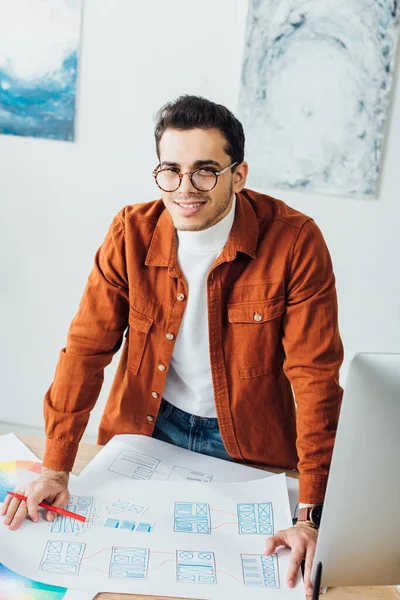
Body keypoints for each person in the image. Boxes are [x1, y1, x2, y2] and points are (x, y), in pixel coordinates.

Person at [2, 95, 343, 595]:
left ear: (238, 174)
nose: (185, 189)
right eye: (171, 170)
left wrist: (312, 514)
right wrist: (56, 466)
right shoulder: (130, 233)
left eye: (206, 171)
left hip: (247, 445)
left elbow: (315, 380)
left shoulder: (295, 242)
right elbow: (85, 349)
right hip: (146, 429)